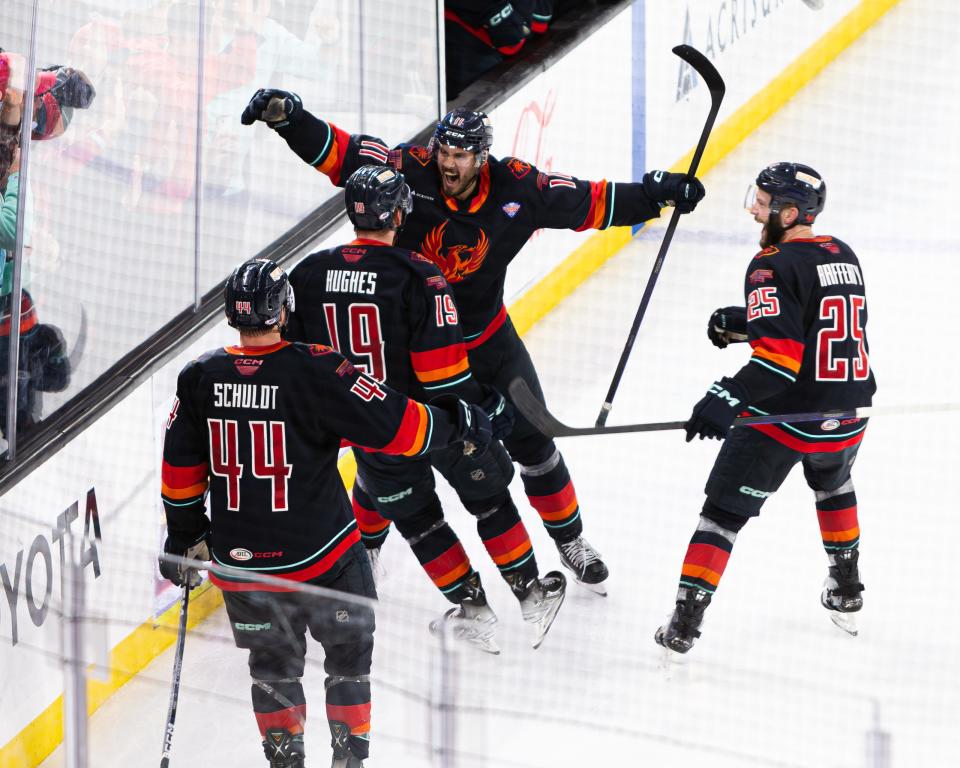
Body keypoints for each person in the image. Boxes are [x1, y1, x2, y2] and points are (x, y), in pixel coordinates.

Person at [241, 89, 706, 596]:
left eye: (459, 154)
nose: (447, 163)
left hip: (487, 346)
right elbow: (346, 156)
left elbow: (591, 202)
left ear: (482, 157)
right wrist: (291, 120)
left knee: (534, 443)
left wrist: (655, 193)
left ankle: (570, 540)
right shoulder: (409, 171)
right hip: (416, 355)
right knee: (390, 451)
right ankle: (368, 546)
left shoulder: (518, 187)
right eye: (443, 151)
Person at [158, 257, 494, 768]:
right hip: (324, 559)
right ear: (284, 309)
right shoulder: (318, 368)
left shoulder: (199, 377)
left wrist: (183, 537)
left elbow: (180, 469)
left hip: (243, 567)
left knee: (271, 667)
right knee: (348, 659)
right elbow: (397, 429)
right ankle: (348, 759)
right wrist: (459, 422)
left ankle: (286, 761)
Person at [285, 163, 566, 652]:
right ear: (398, 213)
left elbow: (300, 362)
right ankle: (529, 594)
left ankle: (473, 611)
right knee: (491, 501)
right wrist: (484, 414)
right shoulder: (420, 276)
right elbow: (446, 373)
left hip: (372, 431)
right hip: (435, 422)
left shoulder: (308, 273)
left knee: (422, 524)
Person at [656, 162, 876, 655]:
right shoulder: (844, 252)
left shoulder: (769, 265)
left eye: (762, 203)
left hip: (786, 419)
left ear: (790, 211)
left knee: (720, 517)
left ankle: (683, 625)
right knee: (834, 482)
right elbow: (818, 325)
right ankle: (846, 588)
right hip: (848, 415)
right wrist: (748, 322)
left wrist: (727, 396)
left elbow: (779, 364)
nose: (755, 210)